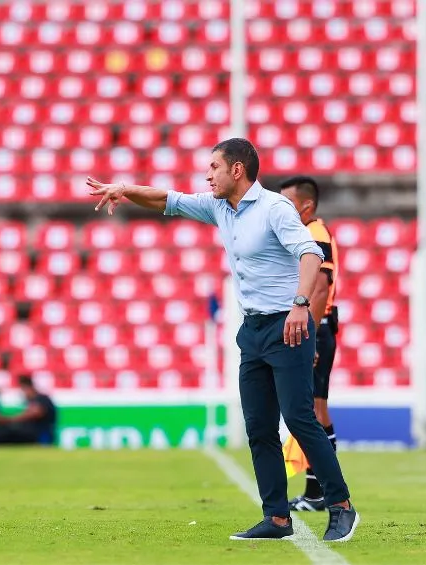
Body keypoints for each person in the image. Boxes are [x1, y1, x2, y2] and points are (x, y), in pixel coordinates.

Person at [87, 138, 359, 542]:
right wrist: (126, 189)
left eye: (213, 166)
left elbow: (310, 254)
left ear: (237, 170)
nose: (206, 174)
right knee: (259, 427)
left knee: (300, 419)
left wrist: (301, 305)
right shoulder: (220, 207)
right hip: (253, 330)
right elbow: (169, 200)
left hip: (289, 325)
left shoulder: (274, 208)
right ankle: (277, 518)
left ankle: (341, 507)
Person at [279, 176, 341, 511]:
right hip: (321, 327)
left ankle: (323, 493)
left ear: (307, 206)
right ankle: (318, 492)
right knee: (316, 410)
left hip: (317, 327)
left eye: (288, 205)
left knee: (312, 412)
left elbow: (318, 288)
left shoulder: (314, 234)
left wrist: (310, 336)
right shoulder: (310, 233)